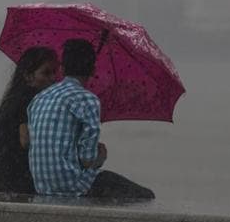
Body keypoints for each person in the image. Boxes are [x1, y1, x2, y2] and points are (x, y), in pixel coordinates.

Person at [28, 38, 155, 199]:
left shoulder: (39, 98)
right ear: (93, 70)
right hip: (73, 185)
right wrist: (100, 157)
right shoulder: (88, 100)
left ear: (63, 67)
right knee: (146, 196)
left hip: (42, 185)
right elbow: (87, 160)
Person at [0, 47, 58, 193]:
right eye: (46, 72)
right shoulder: (27, 102)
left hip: (7, 175)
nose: (53, 78)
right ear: (28, 76)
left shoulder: (13, 99)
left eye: (55, 72)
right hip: (19, 178)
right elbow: (26, 140)